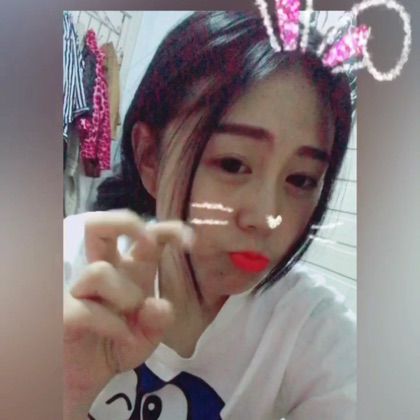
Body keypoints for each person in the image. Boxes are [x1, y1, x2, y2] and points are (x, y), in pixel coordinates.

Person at [64, 11, 356, 420]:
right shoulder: (68, 263)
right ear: (150, 157)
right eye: (233, 164)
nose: (267, 217)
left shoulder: (313, 333)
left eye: (301, 179)